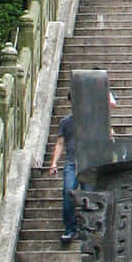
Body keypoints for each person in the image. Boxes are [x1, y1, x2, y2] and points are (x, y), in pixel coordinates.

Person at [48, 98, 79, 244]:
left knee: (91, 195)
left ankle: (92, 229)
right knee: (68, 192)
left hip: (90, 163)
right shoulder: (66, 121)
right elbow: (60, 143)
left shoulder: (93, 118)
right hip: (71, 163)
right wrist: (54, 163)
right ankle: (70, 228)